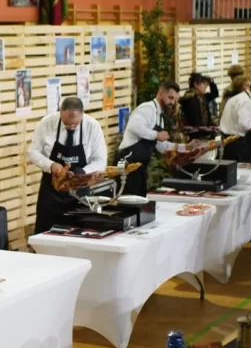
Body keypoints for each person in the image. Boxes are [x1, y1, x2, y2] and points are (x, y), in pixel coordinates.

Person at [28, 97, 107, 234]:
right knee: (46, 234)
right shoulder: (46, 123)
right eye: (66, 123)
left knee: (79, 235)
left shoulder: (92, 127)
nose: (70, 127)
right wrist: (50, 165)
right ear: (60, 113)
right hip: (51, 193)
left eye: (75, 124)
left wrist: (83, 171)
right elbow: (33, 152)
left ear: (82, 114)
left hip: (80, 193)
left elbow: (101, 160)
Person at [117, 80, 200, 197]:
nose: (173, 102)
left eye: (175, 99)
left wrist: (186, 147)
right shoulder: (147, 108)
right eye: (170, 98)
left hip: (140, 166)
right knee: (128, 203)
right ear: (160, 93)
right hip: (127, 162)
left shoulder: (159, 117)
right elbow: (134, 127)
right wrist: (156, 134)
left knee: (139, 202)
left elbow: (161, 146)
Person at [219, 79, 251, 162]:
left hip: (228, 141)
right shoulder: (246, 101)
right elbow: (245, 123)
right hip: (236, 144)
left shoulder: (239, 97)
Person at [179, 72, 219, 140]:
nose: (205, 86)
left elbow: (215, 94)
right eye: (203, 84)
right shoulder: (191, 100)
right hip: (197, 137)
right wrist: (207, 131)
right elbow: (196, 121)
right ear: (196, 84)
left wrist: (211, 82)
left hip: (205, 134)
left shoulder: (202, 97)